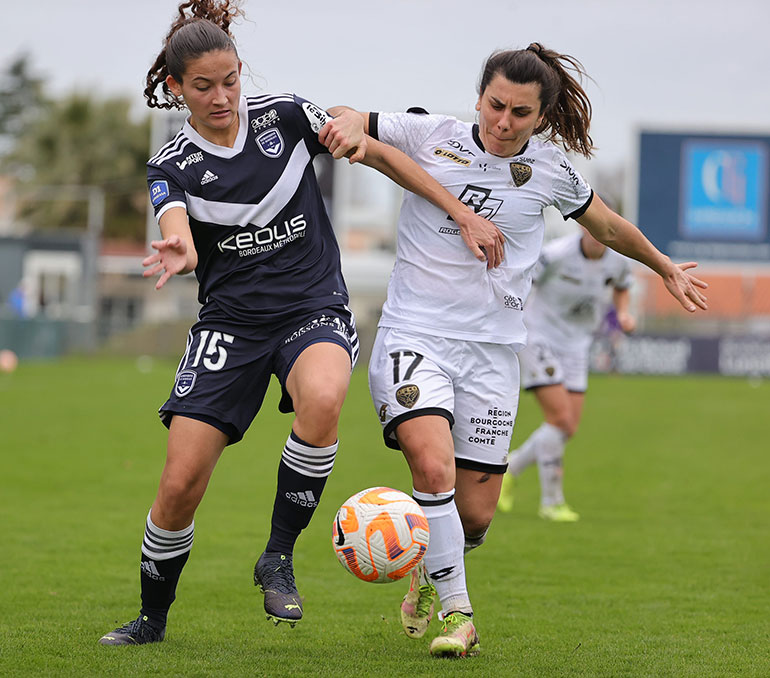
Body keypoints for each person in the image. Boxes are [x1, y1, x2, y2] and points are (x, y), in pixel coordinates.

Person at [98, 0, 504, 647]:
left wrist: (439, 197)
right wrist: (178, 244)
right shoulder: (172, 163)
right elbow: (173, 220)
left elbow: (378, 155)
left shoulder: (285, 115)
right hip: (230, 323)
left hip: (312, 308)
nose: (223, 96)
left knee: (323, 394)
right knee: (179, 483)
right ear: (177, 88)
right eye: (203, 86)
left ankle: (277, 556)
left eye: (231, 80)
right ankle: (151, 618)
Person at [331, 42, 707, 658]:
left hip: (495, 352)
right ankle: (461, 615)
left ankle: (430, 571)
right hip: (415, 335)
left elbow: (608, 228)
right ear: (479, 96)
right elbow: (358, 122)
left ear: (542, 115)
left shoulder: (553, 171)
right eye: (495, 105)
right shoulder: (433, 135)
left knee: (475, 514)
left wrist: (663, 266)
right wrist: (348, 122)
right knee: (433, 469)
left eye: (520, 113)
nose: (503, 123)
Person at [497, 226, 637, 522]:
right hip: (539, 338)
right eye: (594, 228)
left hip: (577, 345)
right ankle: (552, 502)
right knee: (559, 419)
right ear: (584, 228)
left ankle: (510, 470)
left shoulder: (618, 260)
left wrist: (623, 313)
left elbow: (623, 285)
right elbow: (521, 281)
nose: (599, 235)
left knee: (568, 427)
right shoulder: (556, 253)